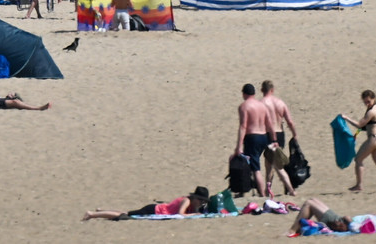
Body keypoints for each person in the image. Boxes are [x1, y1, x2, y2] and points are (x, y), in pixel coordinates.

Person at [342, 89, 376, 193]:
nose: (367, 104)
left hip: (374, 138)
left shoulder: (372, 111)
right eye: (365, 102)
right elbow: (368, 125)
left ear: (373, 98)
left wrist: (346, 118)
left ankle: (359, 185)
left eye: (368, 101)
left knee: (358, 160)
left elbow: (360, 124)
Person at [285, 198, 376, 236]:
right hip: (341, 221)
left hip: (340, 224)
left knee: (309, 203)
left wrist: (349, 220)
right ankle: (295, 230)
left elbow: (357, 229)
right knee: (312, 200)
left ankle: (292, 231)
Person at [81, 186, 210, 220]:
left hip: (156, 209)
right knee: (125, 215)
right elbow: (180, 214)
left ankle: (101, 210)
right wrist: (193, 215)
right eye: (201, 200)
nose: (202, 202)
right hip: (154, 210)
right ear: (194, 198)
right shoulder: (186, 201)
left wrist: (197, 211)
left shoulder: (192, 203)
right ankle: (92, 214)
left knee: (125, 213)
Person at [260, 80, 298, 196]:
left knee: (271, 166)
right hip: (280, 134)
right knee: (276, 163)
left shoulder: (261, 103)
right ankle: (268, 190)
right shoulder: (280, 103)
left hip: (268, 135)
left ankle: (290, 189)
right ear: (272, 90)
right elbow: (290, 122)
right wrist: (295, 134)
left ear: (262, 90)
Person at [234, 83, 272, 197]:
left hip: (252, 137)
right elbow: (269, 123)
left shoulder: (244, 106)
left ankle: (262, 194)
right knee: (251, 164)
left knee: (256, 168)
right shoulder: (262, 105)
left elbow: (243, 126)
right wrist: (273, 139)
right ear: (254, 94)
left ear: (244, 94)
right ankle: (245, 190)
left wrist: (239, 146)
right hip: (264, 136)